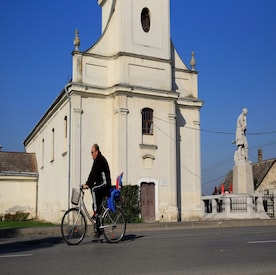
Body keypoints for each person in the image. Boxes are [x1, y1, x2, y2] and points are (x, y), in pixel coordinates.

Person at [82, 144, 111, 237]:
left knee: (94, 188)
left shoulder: (100, 160)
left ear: (96, 152)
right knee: (96, 205)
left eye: (92, 152)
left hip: (105, 183)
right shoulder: (96, 160)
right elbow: (92, 173)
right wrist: (87, 184)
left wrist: (88, 184)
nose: (91, 155)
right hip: (101, 183)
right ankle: (98, 231)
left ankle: (95, 212)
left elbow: (94, 173)